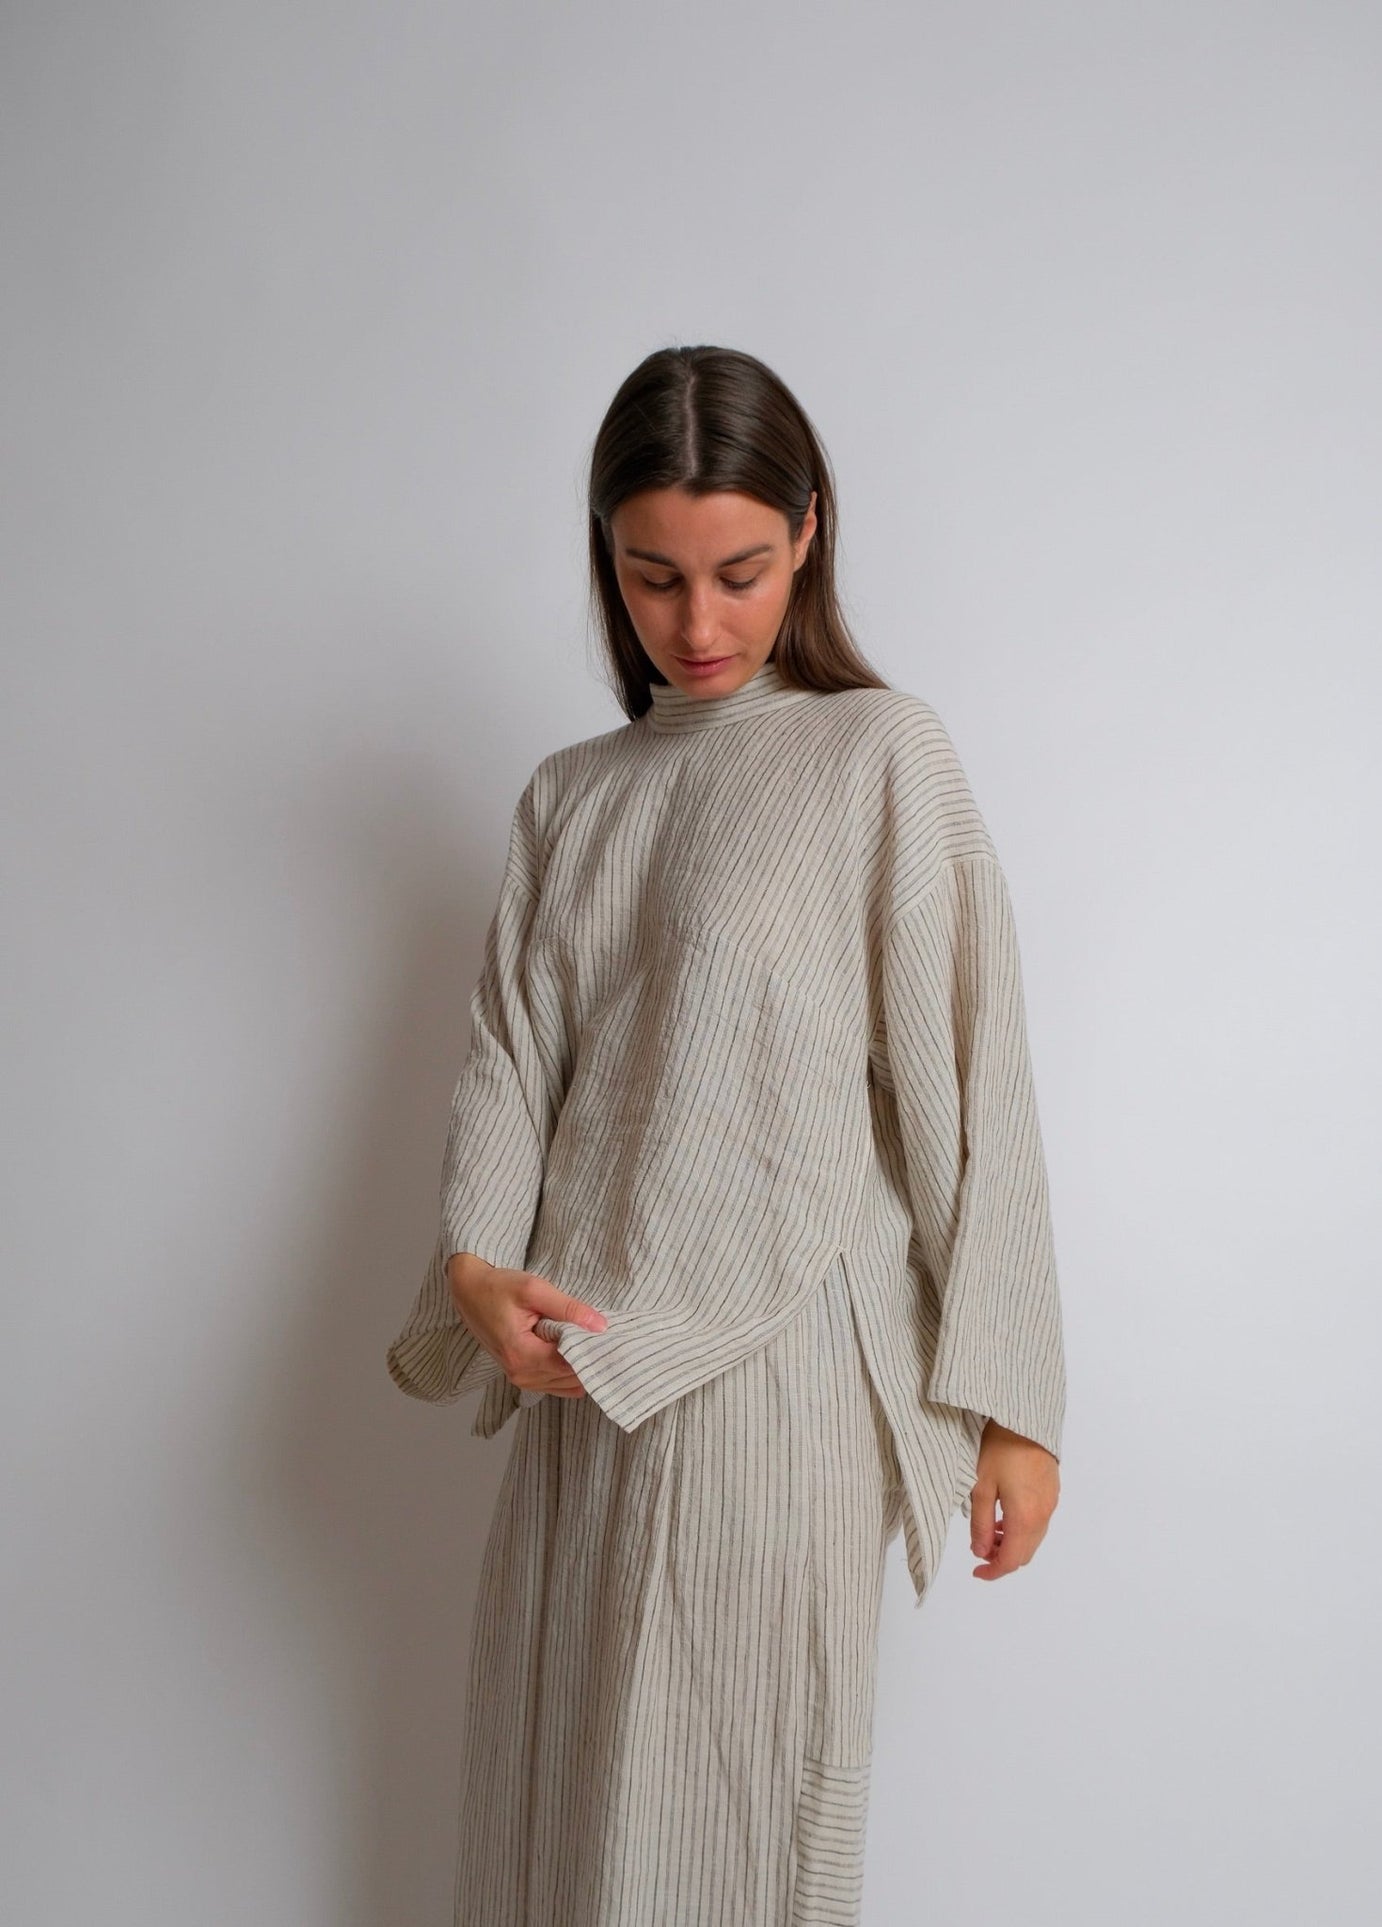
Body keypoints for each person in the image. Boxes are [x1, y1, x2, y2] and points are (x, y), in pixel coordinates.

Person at [385, 343, 1066, 1926]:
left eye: (739, 573)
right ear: (605, 559)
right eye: (653, 577)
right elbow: (510, 1061)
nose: (697, 623)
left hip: (781, 1371)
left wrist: (1014, 1411)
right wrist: (477, 1273)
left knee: (738, 1813)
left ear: (807, 535)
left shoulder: (878, 754)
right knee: (559, 1807)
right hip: (576, 1370)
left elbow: (975, 1075)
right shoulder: (570, 796)